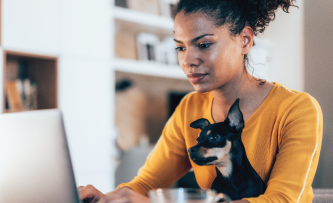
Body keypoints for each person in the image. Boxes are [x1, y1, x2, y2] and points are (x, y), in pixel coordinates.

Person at [80, 0, 323, 202]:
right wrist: (106, 198)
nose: (188, 61)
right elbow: (146, 184)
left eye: (204, 45)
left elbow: (283, 200)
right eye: (180, 48)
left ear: (245, 40)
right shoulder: (189, 108)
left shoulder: (297, 110)